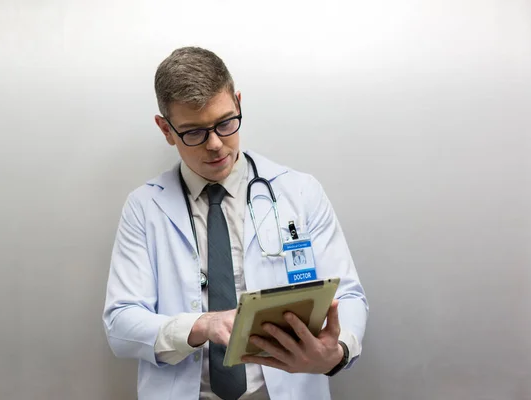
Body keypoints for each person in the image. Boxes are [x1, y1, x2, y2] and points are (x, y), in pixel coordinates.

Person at [103, 46, 368, 400]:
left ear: (238, 103)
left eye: (226, 123)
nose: (215, 145)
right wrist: (201, 325)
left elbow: (347, 295)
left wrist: (339, 352)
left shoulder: (300, 192)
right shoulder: (144, 208)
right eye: (194, 132)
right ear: (165, 129)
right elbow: (120, 324)